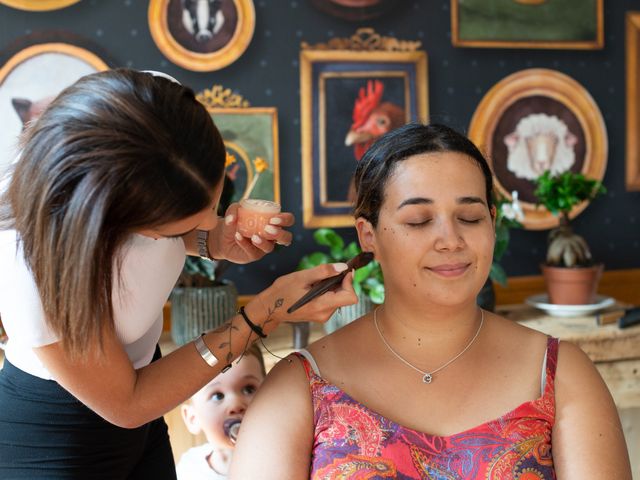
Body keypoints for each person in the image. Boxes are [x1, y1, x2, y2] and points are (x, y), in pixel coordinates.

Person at [0, 68, 357, 479]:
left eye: (214, 199)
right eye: (182, 222)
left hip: (145, 411)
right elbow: (131, 403)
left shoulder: (159, 112)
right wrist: (264, 313)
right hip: (55, 437)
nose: (211, 219)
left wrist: (216, 242)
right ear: (108, 221)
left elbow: (169, 235)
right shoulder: (31, 275)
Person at [230, 123, 632, 479]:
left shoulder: (561, 376)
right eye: (419, 220)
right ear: (368, 235)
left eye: (471, 218)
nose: (451, 239)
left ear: (492, 222)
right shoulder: (298, 387)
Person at [176, 343, 266, 479]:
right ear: (193, 418)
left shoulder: (282, 462)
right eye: (217, 396)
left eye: (249, 389)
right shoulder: (189, 468)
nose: (236, 405)